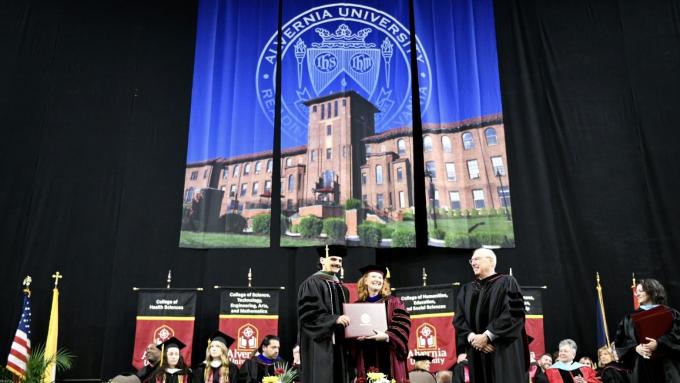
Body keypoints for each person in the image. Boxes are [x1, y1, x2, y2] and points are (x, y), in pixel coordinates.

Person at [453, 248, 530, 383]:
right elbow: (459, 320)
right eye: (472, 260)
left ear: (491, 261)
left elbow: (514, 314)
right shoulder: (466, 289)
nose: (473, 263)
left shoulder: (507, 282)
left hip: (501, 351)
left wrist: (488, 336)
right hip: (476, 353)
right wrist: (474, 339)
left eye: (477, 259)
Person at [297, 245, 352, 383]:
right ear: (322, 260)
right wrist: (334, 320)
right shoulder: (312, 283)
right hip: (320, 344)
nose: (337, 263)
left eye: (340, 261)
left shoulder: (342, 288)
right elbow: (308, 316)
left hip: (340, 345)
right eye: (333, 259)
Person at [613, 278, 680, 383]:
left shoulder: (671, 313)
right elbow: (621, 342)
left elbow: (678, 336)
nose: (636, 294)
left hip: (668, 367)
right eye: (636, 292)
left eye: (640, 291)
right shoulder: (629, 318)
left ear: (652, 291)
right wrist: (635, 348)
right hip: (642, 367)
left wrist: (659, 343)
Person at [352, 264, 411, 383]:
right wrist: (355, 337)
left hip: (389, 353)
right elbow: (352, 332)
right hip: (366, 353)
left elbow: (403, 323)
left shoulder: (394, 302)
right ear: (366, 281)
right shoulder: (356, 306)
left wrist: (387, 336)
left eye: (380, 278)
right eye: (374, 276)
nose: (378, 280)